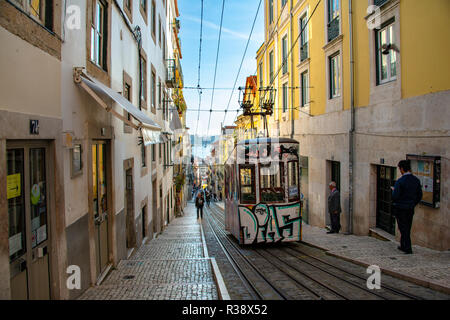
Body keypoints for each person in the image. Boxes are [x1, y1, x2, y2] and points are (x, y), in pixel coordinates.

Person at [392, 160, 422, 254]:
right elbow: (419, 195)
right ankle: (403, 245)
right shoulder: (416, 180)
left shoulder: (400, 181)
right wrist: (413, 203)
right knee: (407, 227)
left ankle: (408, 247)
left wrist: (393, 190)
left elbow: (395, 196)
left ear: (401, 169)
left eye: (399, 169)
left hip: (400, 208)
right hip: (410, 208)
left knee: (402, 228)